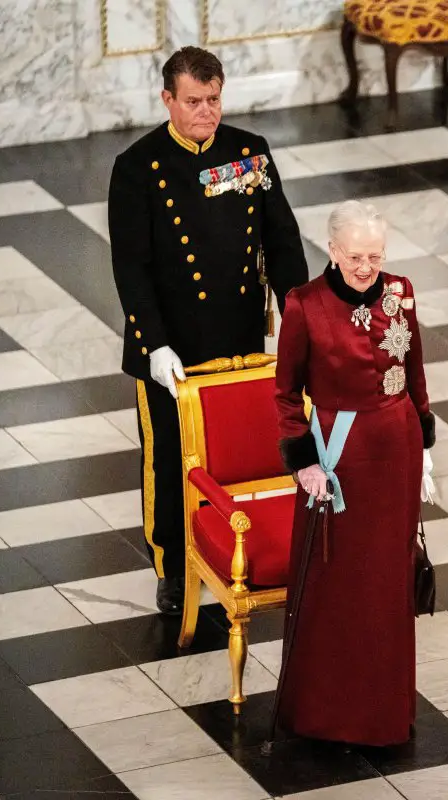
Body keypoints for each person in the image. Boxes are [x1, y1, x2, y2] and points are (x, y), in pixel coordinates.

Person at [109, 46, 310, 614]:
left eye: (214, 99)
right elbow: (132, 266)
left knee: (224, 459)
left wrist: (301, 317)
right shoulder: (138, 167)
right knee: (171, 458)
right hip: (171, 343)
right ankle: (173, 566)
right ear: (167, 99)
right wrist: (152, 342)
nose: (206, 112)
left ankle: (222, 551)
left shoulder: (250, 153)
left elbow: (282, 240)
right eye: (193, 101)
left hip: (237, 332)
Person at [273, 200, 435, 747]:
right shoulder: (304, 305)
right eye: (357, 256)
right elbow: (286, 393)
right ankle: (327, 713)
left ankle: (384, 714)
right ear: (333, 251)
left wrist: (426, 442)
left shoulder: (401, 291)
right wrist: (304, 463)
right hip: (339, 457)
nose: (368, 266)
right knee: (340, 584)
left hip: (399, 450)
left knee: (388, 583)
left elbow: (414, 367)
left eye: (376, 255)